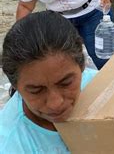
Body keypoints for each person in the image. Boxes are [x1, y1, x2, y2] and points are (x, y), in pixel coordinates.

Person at [0, 11, 96, 153]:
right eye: (36, 91)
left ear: (81, 66)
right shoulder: (12, 145)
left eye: (65, 83)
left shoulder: (101, 86)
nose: (55, 103)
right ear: (16, 86)